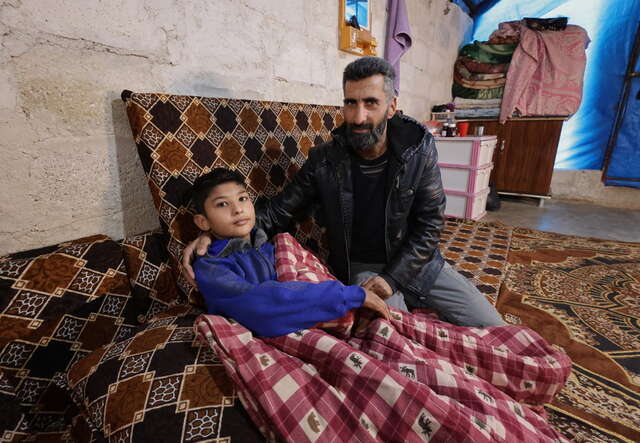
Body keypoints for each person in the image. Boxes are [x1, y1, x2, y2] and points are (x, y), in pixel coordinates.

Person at [184, 56, 505, 327]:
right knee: (407, 343)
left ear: (392, 106)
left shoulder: (418, 150)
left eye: (371, 103)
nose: (359, 116)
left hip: (419, 263)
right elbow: (278, 210)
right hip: (362, 268)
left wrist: (394, 279)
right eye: (351, 103)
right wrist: (215, 238)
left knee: (494, 328)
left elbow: (430, 226)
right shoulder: (325, 161)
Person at [188, 168, 390, 337]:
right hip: (292, 328)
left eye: (242, 199)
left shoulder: (274, 247)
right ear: (202, 222)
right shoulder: (211, 266)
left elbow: (313, 275)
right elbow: (262, 305)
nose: (238, 209)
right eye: (223, 204)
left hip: (339, 304)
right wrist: (349, 295)